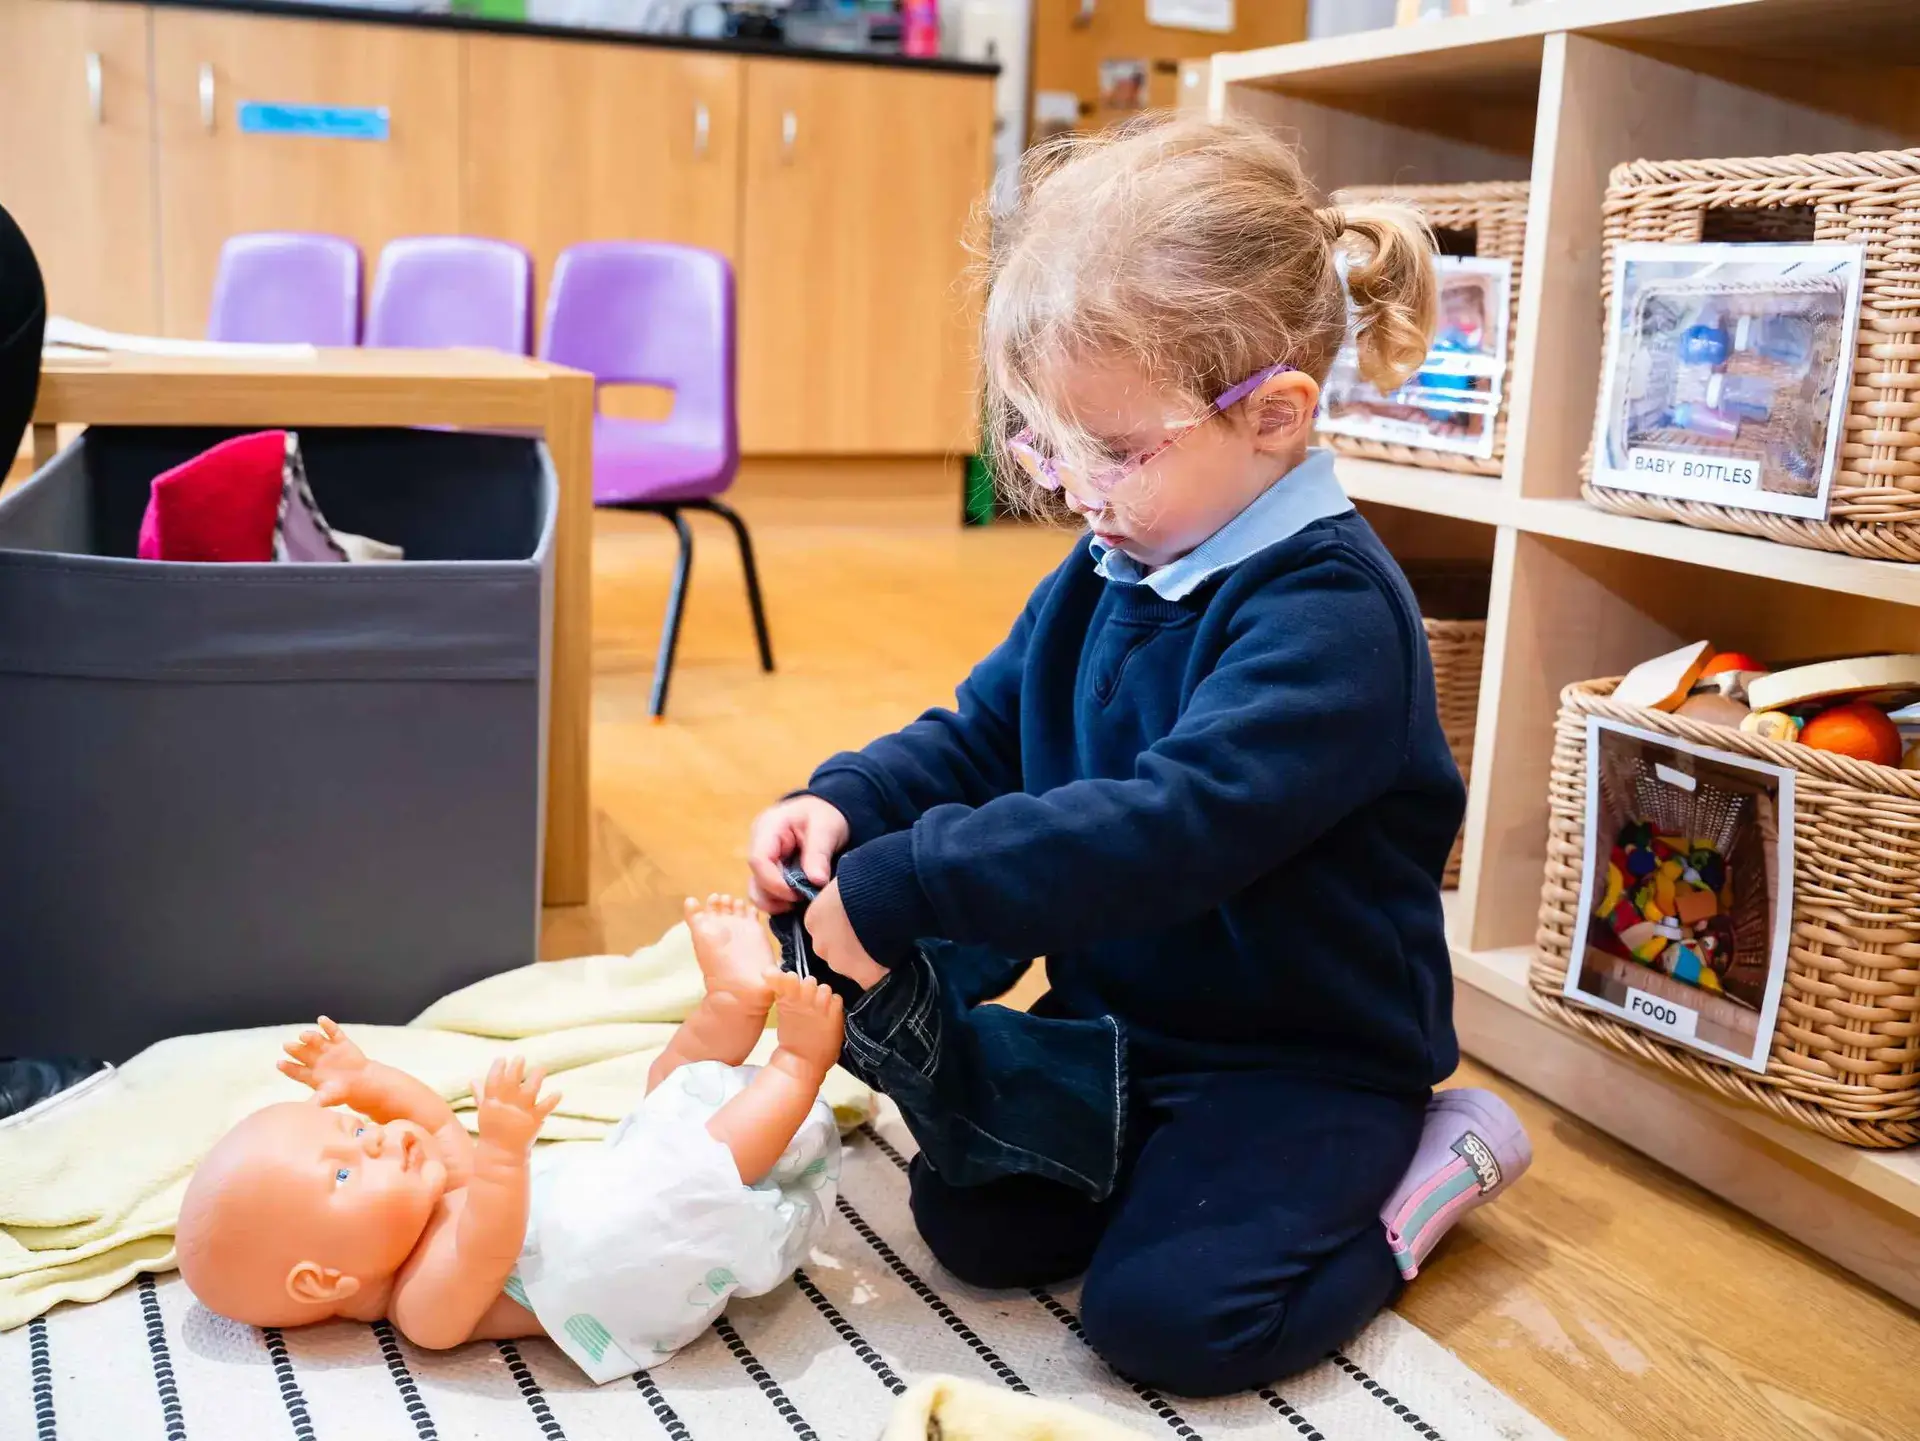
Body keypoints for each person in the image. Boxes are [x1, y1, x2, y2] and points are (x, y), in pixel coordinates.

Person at [747, 113, 1531, 1399]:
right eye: (1048, 442)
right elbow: (987, 730)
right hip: (1124, 1025)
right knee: (977, 1233)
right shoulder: (1123, 552)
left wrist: (919, 880)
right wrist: (849, 800)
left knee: (1173, 1325)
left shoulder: (1331, 617)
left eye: (1110, 451)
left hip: (1303, 1055)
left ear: (1276, 415)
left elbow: (1172, 824)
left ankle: (1427, 1172)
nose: (1073, 489)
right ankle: (1189, 1183)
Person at [176, 897, 845, 1384]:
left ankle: (733, 1002)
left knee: (666, 1089)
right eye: (344, 1175)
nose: (375, 1142)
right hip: (642, 1260)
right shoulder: (421, 1310)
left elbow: (434, 1121)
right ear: (326, 1279)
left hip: (618, 1187)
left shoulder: (435, 1198)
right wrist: (501, 1153)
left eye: (355, 1129)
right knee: (691, 1169)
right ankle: (798, 1062)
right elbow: (488, 1243)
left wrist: (362, 1078)